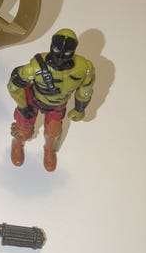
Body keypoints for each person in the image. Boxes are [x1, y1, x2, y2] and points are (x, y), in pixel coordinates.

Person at [7, 29, 95, 171]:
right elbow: (13, 86)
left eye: (66, 52)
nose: (60, 57)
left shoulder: (84, 68)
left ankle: (49, 150)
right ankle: (17, 142)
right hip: (33, 98)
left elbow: (85, 90)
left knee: (53, 131)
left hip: (57, 104)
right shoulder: (35, 66)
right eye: (57, 50)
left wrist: (80, 108)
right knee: (22, 128)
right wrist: (22, 105)